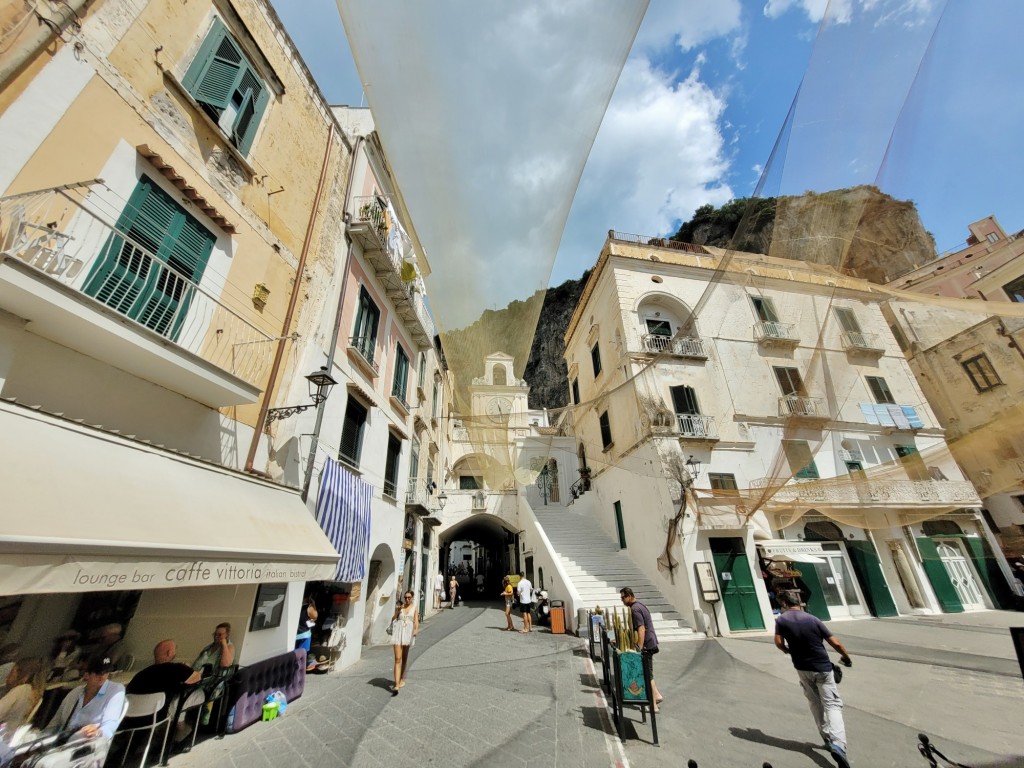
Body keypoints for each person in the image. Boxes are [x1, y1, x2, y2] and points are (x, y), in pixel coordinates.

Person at [773, 590, 853, 768]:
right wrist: (846, 657)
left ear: (785, 604)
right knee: (832, 704)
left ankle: (826, 736)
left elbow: (778, 642)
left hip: (802, 667)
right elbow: (835, 643)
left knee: (814, 702)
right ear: (798, 603)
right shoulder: (812, 619)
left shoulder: (781, 620)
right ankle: (838, 744)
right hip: (822, 667)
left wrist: (788, 650)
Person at [42, 656, 126, 768]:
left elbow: (110, 725)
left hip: (88, 749)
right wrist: (40, 740)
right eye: (97, 673)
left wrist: (98, 731)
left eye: (106, 672)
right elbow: (55, 724)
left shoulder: (115, 690)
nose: (103, 677)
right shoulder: (75, 693)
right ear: (86, 675)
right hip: (63, 744)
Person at [121, 640, 201, 740]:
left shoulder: (140, 674)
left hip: (130, 720)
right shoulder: (178, 669)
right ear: (169, 653)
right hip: (157, 717)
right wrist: (187, 668)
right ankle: (179, 734)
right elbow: (197, 678)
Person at [619, 587, 662, 711]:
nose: (622, 600)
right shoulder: (640, 605)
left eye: (623, 597)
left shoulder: (635, 609)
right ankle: (657, 695)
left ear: (630, 596)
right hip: (651, 642)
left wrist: (639, 647)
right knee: (649, 672)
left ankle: (653, 706)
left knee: (647, 674)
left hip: (646, 645)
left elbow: (641, 628)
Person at [0, 657, 46, 730]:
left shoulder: (22, 690)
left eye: (11, 672)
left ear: (21, 673)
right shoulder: (36, 694)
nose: (7, 676)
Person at [390, 591, 419, 695]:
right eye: (406, 597)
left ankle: (402, 678)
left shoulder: (414, 608)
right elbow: (393, 619)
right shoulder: (400, 607)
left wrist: (416, 630)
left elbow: (416, 621)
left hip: (407, 634)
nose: (407, 599)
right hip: (398, 633)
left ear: (412, 598)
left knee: (404, 658)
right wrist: (397, 611)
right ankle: (396, 685)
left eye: (409, 597)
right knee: (398, 659)